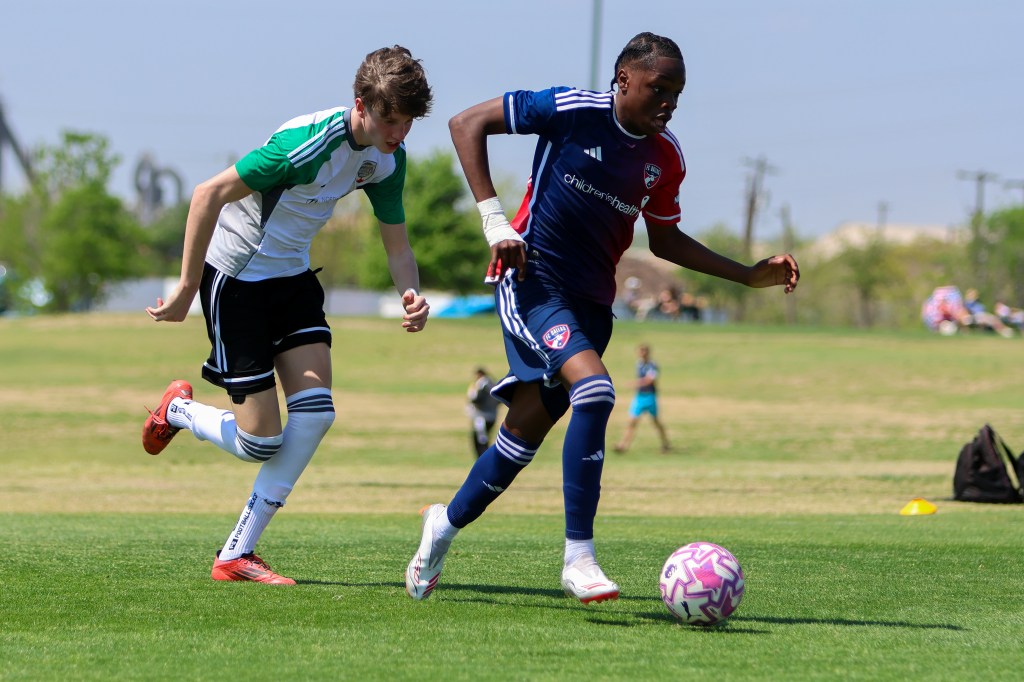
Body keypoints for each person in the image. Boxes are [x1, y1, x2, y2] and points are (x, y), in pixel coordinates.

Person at [405, 32, 799, 604]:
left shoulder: (665, 158)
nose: (668, 103)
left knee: (522, 436)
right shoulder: (572, 110)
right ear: (623, 80)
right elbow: (466, 123)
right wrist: (495, 222)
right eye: (658, 89)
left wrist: (745, 274)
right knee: (595, 391)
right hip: (533, 282)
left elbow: (664, 241)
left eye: (677, 94)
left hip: (594, 307)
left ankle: (442, 525)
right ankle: (579, 558)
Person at [142, 45, 434, 584]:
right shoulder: (301, 146)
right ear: (362, 105)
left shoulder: (388, 157)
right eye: (391, 119)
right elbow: (207, 194)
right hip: (238, 283)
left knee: (317, 414)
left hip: (293, 280)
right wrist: (187, 287)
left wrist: (409, 294)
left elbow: (397, 244)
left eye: (409, 121)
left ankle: (236, 553)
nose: (400, 132)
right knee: (261, 443)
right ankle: (179, 411)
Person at [614, 344, 671, 454]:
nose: (642, 353)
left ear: (648, 352)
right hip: (639, 397)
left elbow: (650, 380)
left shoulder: (652, 365)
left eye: (644, 351)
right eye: (640, 351)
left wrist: (635, 383)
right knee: (632, 421)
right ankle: (622, 446)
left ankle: (665, 444)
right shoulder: (639, 364)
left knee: (656, 422)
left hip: (650, 396)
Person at [467, 367, 501, 457]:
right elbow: (499, 400)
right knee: (484, 439)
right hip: (492, 416)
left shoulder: (482, 384)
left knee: (480, 441)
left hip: (481, 418)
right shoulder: (492, 383)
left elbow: (477, 399)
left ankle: (483, 460)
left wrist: (471, 394)